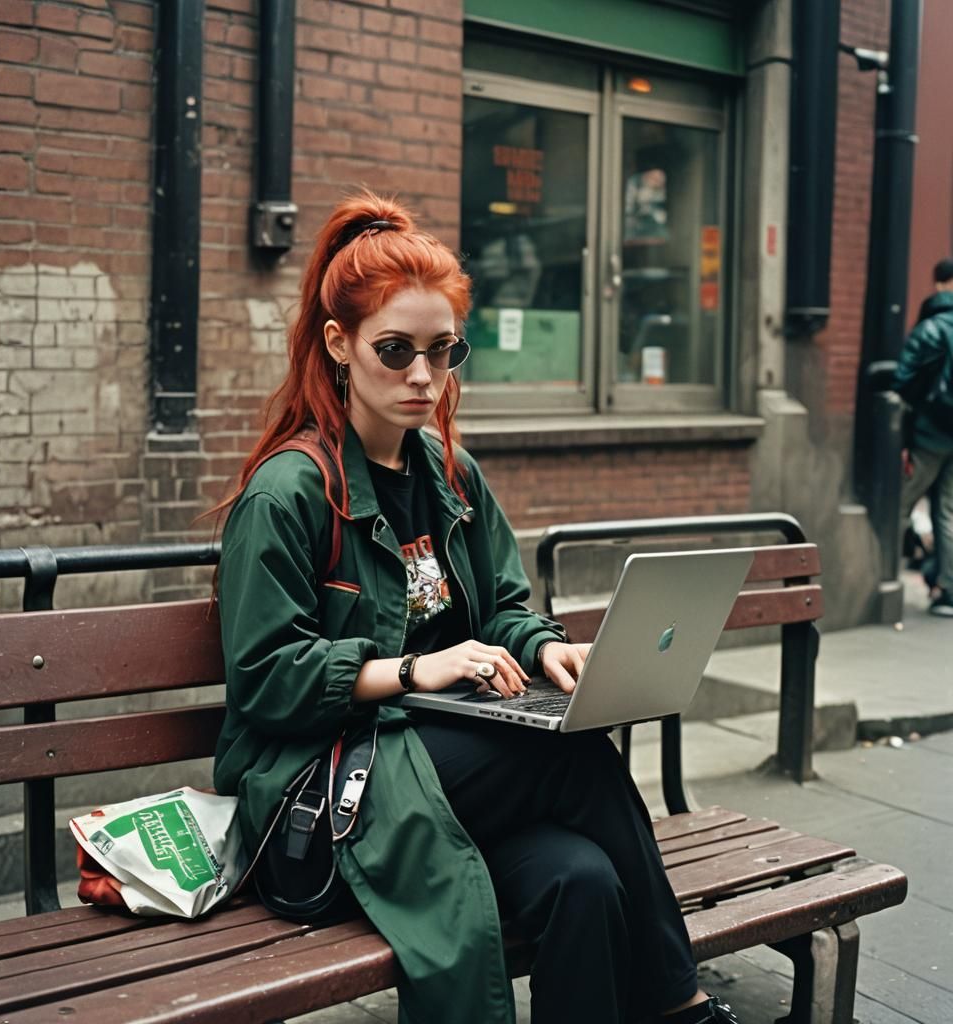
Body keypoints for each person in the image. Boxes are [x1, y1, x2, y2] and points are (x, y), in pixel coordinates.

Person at [211, 192, 740, 1024]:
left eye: (442, 352)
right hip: (319, 793)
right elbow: (265, 681)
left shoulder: (452, 477)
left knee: (584, 881)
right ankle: (683, 1007)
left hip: (445, 773)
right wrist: (416, 667)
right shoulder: (290, 492)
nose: (422, 377)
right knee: (573, 754)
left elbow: (502, 605)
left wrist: (541, 650)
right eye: (395, 351)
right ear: (339, 343)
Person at [894, 258, 953, 617]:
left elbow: (902, 380)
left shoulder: (930, 328)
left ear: (939, 285)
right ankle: (948, 588)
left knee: (900, 504)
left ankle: (884, 578)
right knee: (947, 510)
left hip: (930, 433)